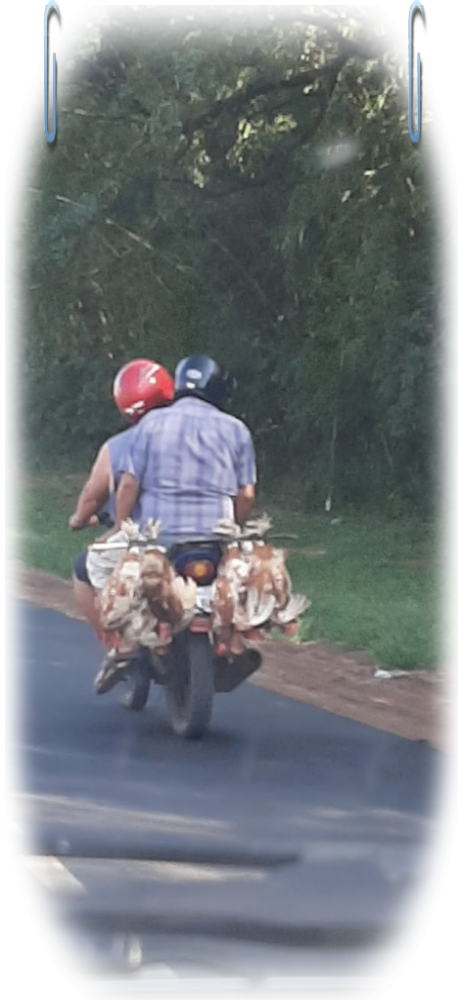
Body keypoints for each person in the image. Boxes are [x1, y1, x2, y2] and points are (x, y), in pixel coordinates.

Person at [69, 358, 174, 637]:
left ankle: (116, 642)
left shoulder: (118, 446)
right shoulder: (194, 437)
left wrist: (79, 519)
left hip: (141, 539)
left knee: (83, 569)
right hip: (196, 533)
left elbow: (92, 498)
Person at [113, 354, 256, 542]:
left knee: (91, 560)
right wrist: (235, 530)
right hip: (216, 539)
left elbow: (129, 484)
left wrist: (119, 529)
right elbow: (246, 495)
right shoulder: (237, 430)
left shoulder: (151, 423)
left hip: (158, 538)